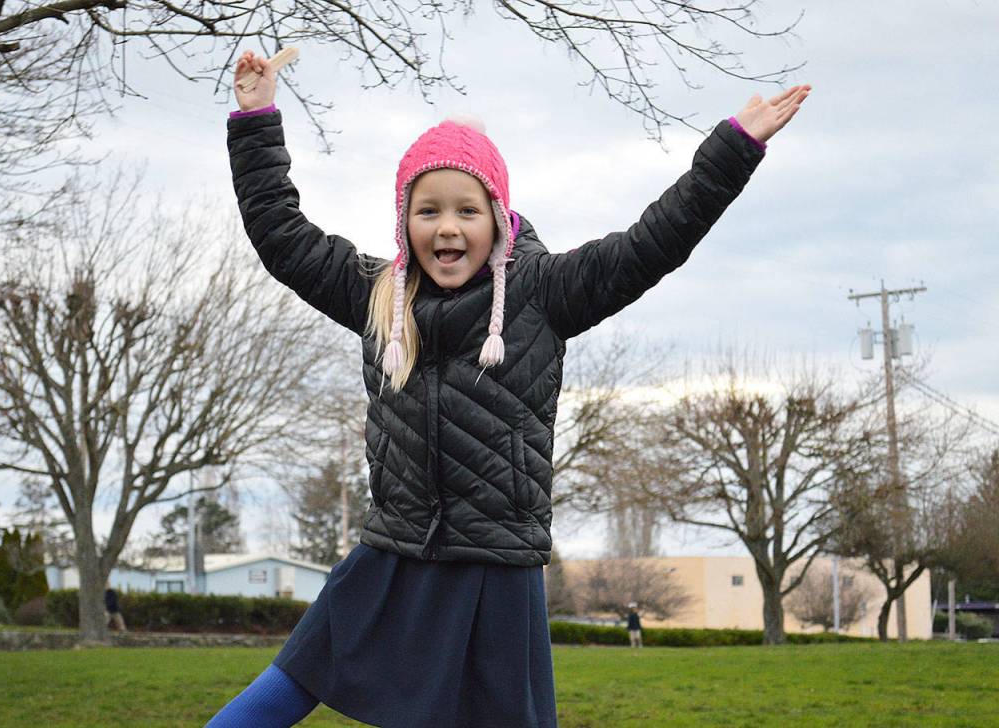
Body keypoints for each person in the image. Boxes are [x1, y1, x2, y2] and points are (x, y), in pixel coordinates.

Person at [207, 49, 810, 728]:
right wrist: (256, 119)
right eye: (427, 210)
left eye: (467, 209)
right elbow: (282, 236)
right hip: (392, 554)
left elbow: (653, 243)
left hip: (496, 566)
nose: (447, 227)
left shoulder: (542, 294)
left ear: (497, 216)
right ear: (406, 222)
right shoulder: (378, 295)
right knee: (282, 689)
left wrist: (734, 148)